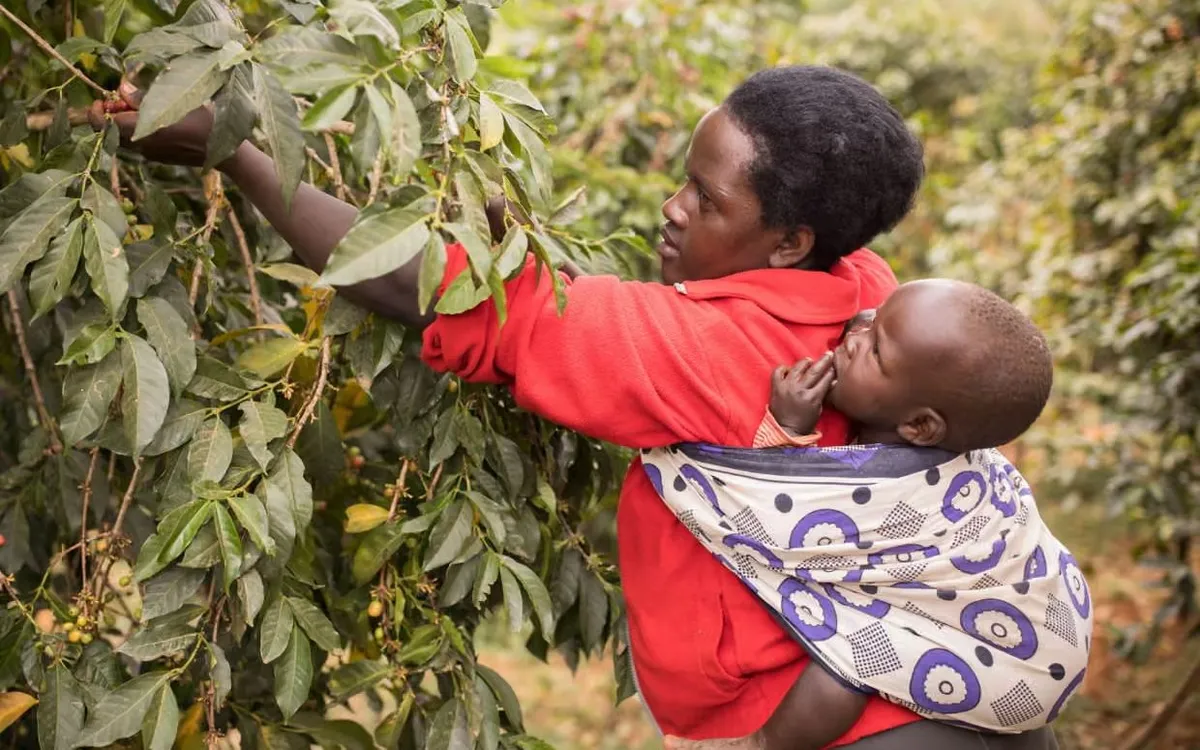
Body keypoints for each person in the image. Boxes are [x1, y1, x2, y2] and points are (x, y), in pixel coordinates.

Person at [96, 64, 1053, 747]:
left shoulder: (714, 358)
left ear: (791, 241)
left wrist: (244, 152)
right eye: (685, 177)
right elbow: (652, 319)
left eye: (705, 200)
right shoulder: (863, 287)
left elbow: (421, 286)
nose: (674, 208)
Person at [647, 280, 1091, 749]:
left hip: (1023, 668)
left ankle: (761, 745)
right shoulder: (936, 441)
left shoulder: (898, 493)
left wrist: (785, 431)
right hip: (1041, 632)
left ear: (919, 425)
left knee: (852, 659)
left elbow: (779, 529)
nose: (854, 337)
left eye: (875, 350)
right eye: (872, 319)